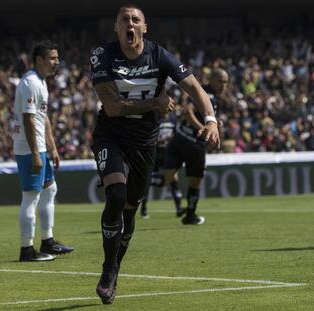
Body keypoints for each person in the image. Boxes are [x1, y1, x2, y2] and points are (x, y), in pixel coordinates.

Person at [90, 4, 220, 304]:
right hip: (111, 135)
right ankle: (108, 271)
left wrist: (211, 119)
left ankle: (115, 266)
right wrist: (156, 103)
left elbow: (194, 88)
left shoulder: (159, 55)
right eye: (124, 20)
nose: (130, 24)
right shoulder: (102, 55)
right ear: (117, 28)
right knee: (117, 195)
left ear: (144, 27)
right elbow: (112, 108)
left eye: (136, 20)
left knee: (130, 209)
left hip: (145, 142)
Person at [12, 40, 74, 262]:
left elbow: (42, 117)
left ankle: (48, 241)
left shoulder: (40, 82)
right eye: (53, 58)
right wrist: (36, 153)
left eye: (57, 58)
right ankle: (26, 250)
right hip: (29, 148)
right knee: (30, 197)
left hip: (39, 146)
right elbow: (29, 119)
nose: (57, 62)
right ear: (39, 60)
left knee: (50, 189)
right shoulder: (30, 83)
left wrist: (52, 147)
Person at [153, 68, 229, 225]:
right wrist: (201, 127)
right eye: (221, 81)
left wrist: (215, 124)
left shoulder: (213, 97)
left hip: (181, 140)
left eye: (226, 82)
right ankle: (190, 214)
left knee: (168, 179)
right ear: (212, 79)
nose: (224, 85)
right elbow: (188, 111)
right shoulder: (203, 92)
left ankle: (190, 215)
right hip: (190, 143)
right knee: (193, 181)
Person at [140, 108, 185, 219]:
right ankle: (143, 209)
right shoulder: (154, 118)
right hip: (154, 153)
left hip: (168, 153)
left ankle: (179, 209)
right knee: (147, 182)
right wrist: (161, 140)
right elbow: (149, 137)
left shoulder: (173, 119)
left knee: (174, 179)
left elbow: (177, 134)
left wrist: (173, 140)